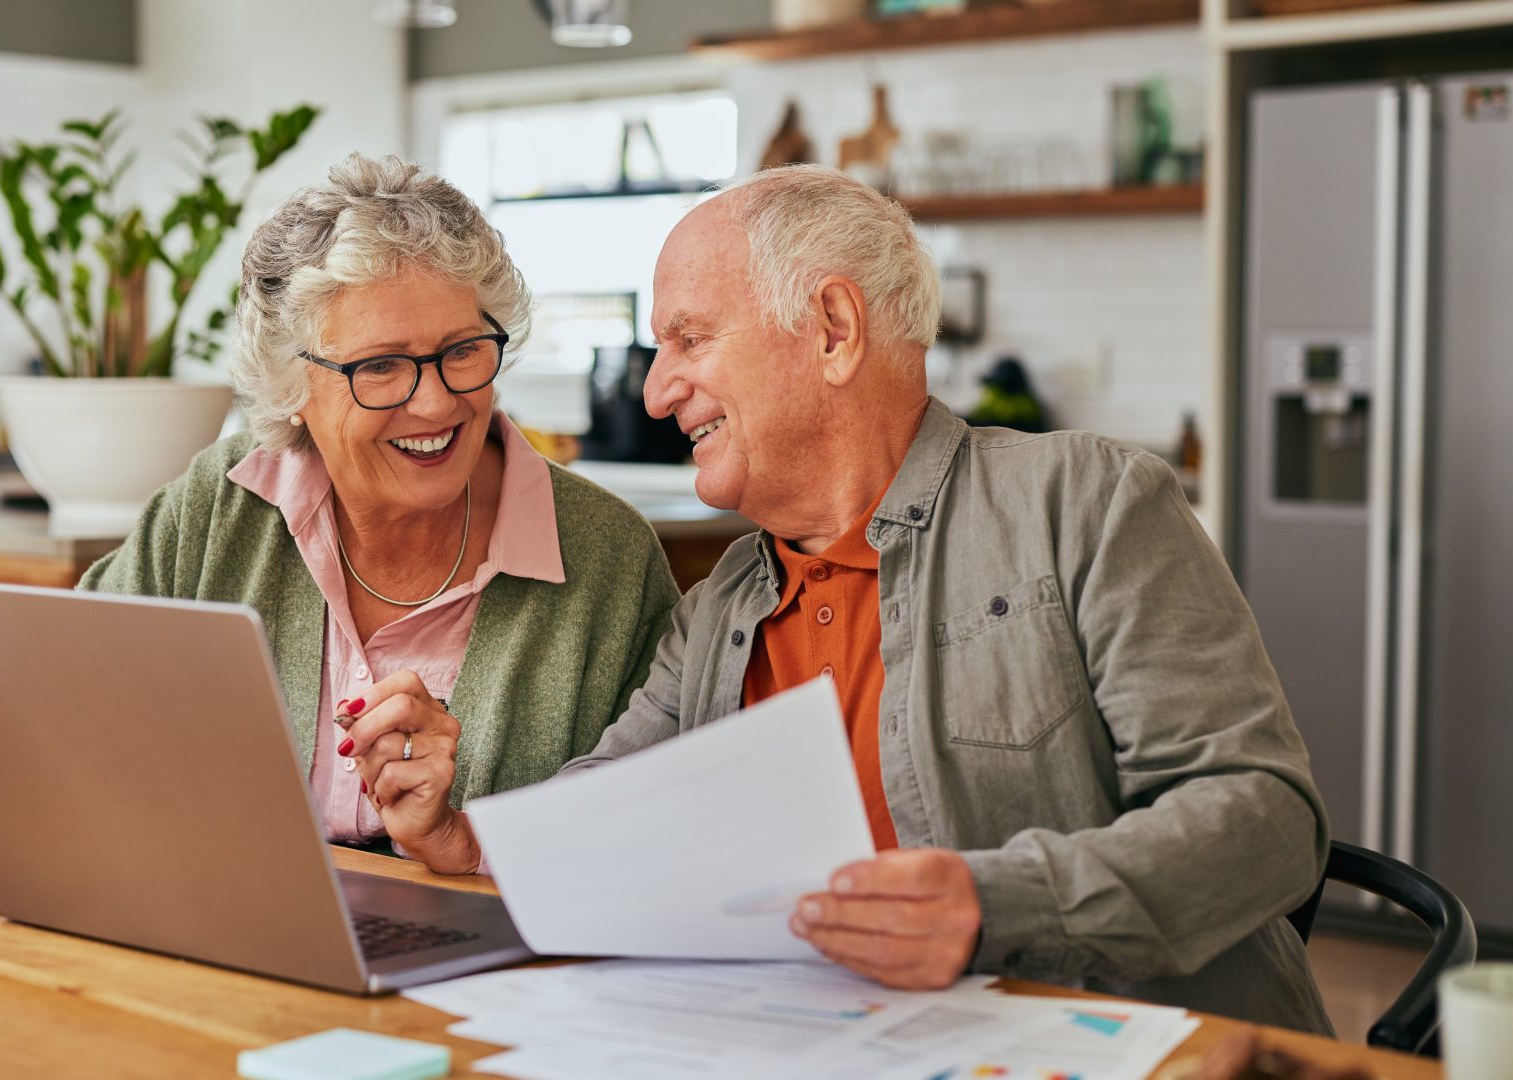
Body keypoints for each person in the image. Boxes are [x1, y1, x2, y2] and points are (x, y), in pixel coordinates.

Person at [348, 164, 1333, 1032]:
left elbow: (1265, 821)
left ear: (831, 329)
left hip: (1139, 1051)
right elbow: (602, 817)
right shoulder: (725, 600)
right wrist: (462, 837)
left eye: (688, 341)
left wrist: (993, 906)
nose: (657, 393)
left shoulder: (1085, 505)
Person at [80, 154, 680, 871]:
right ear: (290, 383)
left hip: (494, 969)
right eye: (381, 367)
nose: (434, 403)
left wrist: (464, 839)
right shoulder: (221, 502)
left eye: (462, 351)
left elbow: (658, 835)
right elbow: (70, 699)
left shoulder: (607, 555)